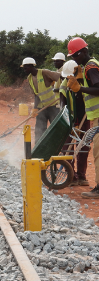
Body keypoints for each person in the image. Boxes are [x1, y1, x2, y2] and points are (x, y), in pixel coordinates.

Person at [66, 37, 99, 198]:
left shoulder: (91, 67)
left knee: (98, 153)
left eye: (76, 55)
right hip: (96, 115)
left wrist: (81, 88)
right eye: (72, 56)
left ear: (84, 51)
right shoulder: (87, 66)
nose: (74, 58)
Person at [59, 60, 90, 187]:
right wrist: (69, 121)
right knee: (67, 147)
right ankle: (71, 176)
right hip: (70, 119)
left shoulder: (85, 84)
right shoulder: (64, 84)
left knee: (83, 147)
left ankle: (81, 176)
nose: (68, 78)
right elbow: (62, 104)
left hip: (84, 118)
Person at [21, 57, 61, 143]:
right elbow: (36, 95)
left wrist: (61, 89)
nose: (24, 69)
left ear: (31, 66)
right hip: (41, 108)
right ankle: (39, 149)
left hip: (52, 106)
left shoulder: (44, 73)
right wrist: (35, 108)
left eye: (25, 67)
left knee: (55, 129)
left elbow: (60, 77)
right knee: (39, 130)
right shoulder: (30, 78)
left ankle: (57, 148)